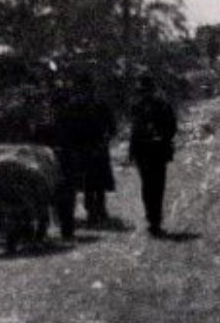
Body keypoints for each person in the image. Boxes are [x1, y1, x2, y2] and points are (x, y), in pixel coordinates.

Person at [51, 71, 116, 230]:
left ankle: (95, 209)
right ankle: (96, 209)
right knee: (93, 179)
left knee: (91, 180)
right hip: (88, 146)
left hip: (86, 147)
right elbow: (112, 127)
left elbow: (111, 127)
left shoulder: (76, 105)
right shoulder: (94, 104)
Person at [128, 74, 182, 236]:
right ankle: (153, 218)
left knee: (154, 185)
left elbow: (171, 127)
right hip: (147, 150)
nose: (145, 94)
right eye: (142, 91)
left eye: (146, 90)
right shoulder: (139, 107)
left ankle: (154, 219)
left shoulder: (160, 106)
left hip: (154, 150)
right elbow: (134, 130)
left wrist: (162, 136)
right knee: (151, 186)